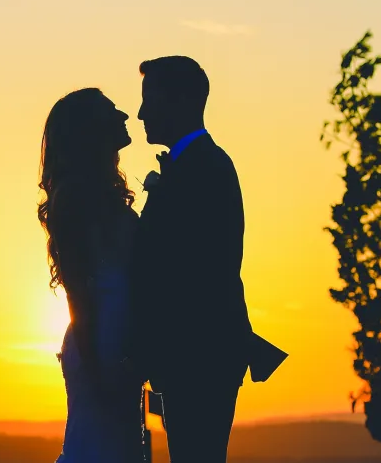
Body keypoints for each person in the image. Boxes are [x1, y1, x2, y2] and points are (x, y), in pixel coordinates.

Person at [130, 55, 253, 463]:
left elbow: (199, 272)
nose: (142, 112)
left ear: (181, 100)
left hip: (201, 358)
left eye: (151, 99)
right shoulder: (191, 167)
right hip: (189, 357)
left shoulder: (208, 169)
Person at [37, 88, 144, 463]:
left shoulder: (101, 194)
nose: (124, 116)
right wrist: (100, 368)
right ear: (90, 130)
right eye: (111, 111)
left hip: (115, 337)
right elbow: (78, 294)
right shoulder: (76, 199)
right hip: (99, 340)